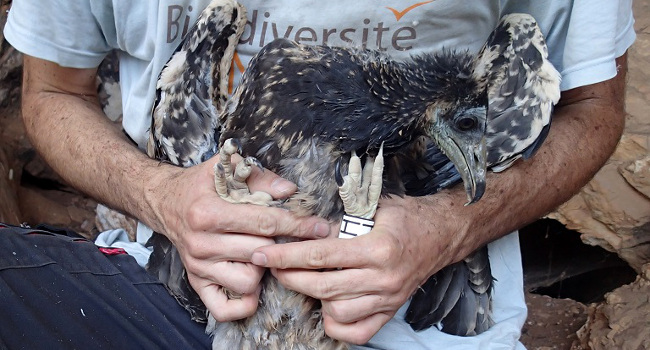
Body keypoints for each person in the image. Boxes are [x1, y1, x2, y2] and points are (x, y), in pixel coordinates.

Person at [1, 0, 634, 349]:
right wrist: (161, 197)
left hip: (417, 323)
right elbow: (54, 91)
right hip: (175, 299)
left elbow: (594, 108)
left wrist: (448, 227)